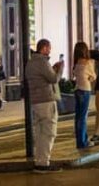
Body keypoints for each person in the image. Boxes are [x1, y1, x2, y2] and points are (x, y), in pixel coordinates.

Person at [26, 39, 64, 173]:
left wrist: (51, 69)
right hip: (47, 101)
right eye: (49, 48)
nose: (50, 51)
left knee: (40, 133)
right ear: (44, 48)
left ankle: (40, 161)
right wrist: (60, 69)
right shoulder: (42, 61)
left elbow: (41, 77)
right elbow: (54, 79)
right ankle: (44, 163)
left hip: (35, 102)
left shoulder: (30, 63)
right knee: (49, 133)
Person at [72, 42, 96, 149]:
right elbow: (93, 76)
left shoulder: (76, 63)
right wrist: (89, 78)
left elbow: (75, 76)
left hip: (77, 90)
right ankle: (83, 142)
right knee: (83, 117)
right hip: (85, 90)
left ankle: (80, 140)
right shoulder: (88, 62)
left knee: (78, 117)